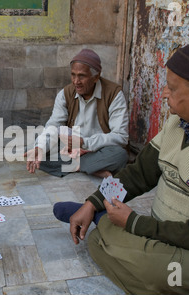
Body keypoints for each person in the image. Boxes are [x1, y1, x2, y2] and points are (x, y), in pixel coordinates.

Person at [69, 23, 189, 294]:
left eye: (171, 88)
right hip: (168, 240)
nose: (164, 93)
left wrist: (134, 223)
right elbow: (138, 174)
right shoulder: (178, 122)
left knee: (155, 271)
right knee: (101, 241)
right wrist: (93, 202)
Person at [24, 49, 129, 224]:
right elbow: (53, 127)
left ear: (96, 77)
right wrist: (39, 148)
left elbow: (121, 136)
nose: (76, 81)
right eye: (73, 75)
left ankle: (81, 166)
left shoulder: (114, 94)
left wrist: (85, 143)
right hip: (71, 150)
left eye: (82, 76)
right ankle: (94, 169)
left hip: (100, 150)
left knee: (120, 155)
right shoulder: (65, 94)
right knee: (38, 154)